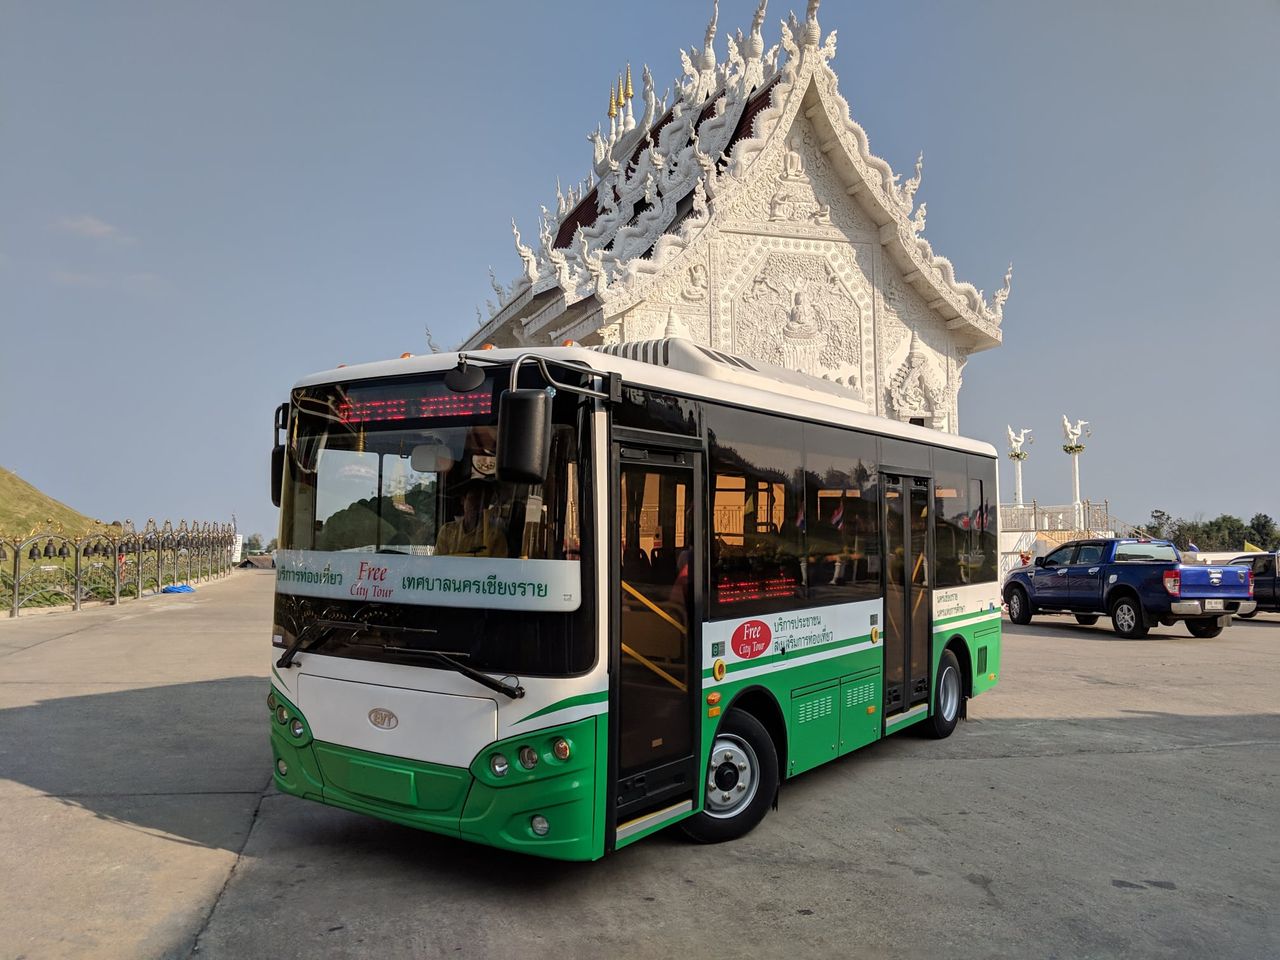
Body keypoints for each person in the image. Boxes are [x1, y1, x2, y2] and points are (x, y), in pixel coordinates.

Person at [434, 481, 508, 557]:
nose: (479, 504)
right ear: (463, 500)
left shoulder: (495, 535)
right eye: (474, 498)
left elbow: (498, 566)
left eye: (484, 500)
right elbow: (439, 563)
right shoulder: (447, 531)